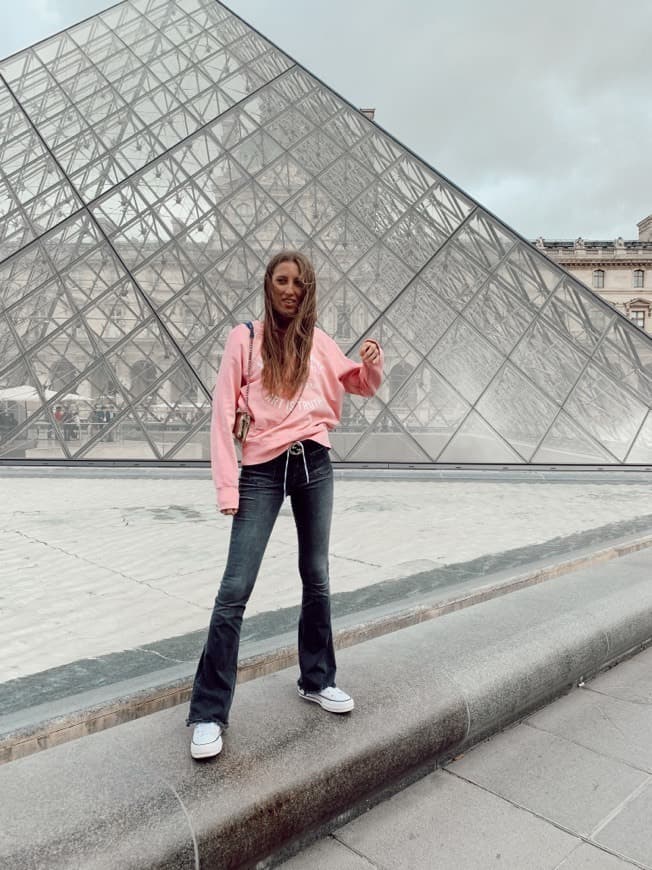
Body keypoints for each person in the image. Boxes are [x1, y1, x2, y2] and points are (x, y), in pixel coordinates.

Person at [187, 250, 384, 760]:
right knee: (235, 588)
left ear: (308, 287)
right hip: (263, 470)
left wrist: (371, 366)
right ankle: (209, 710)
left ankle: (317, 679)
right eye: (282, 280)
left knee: (316, 576)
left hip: (314, 462)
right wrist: (227, 488)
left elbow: (354, 383)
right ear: (268, 284)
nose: (291, 288)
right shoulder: (244, 338)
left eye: (300, 281)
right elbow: (220, 414)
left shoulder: (319, 341)